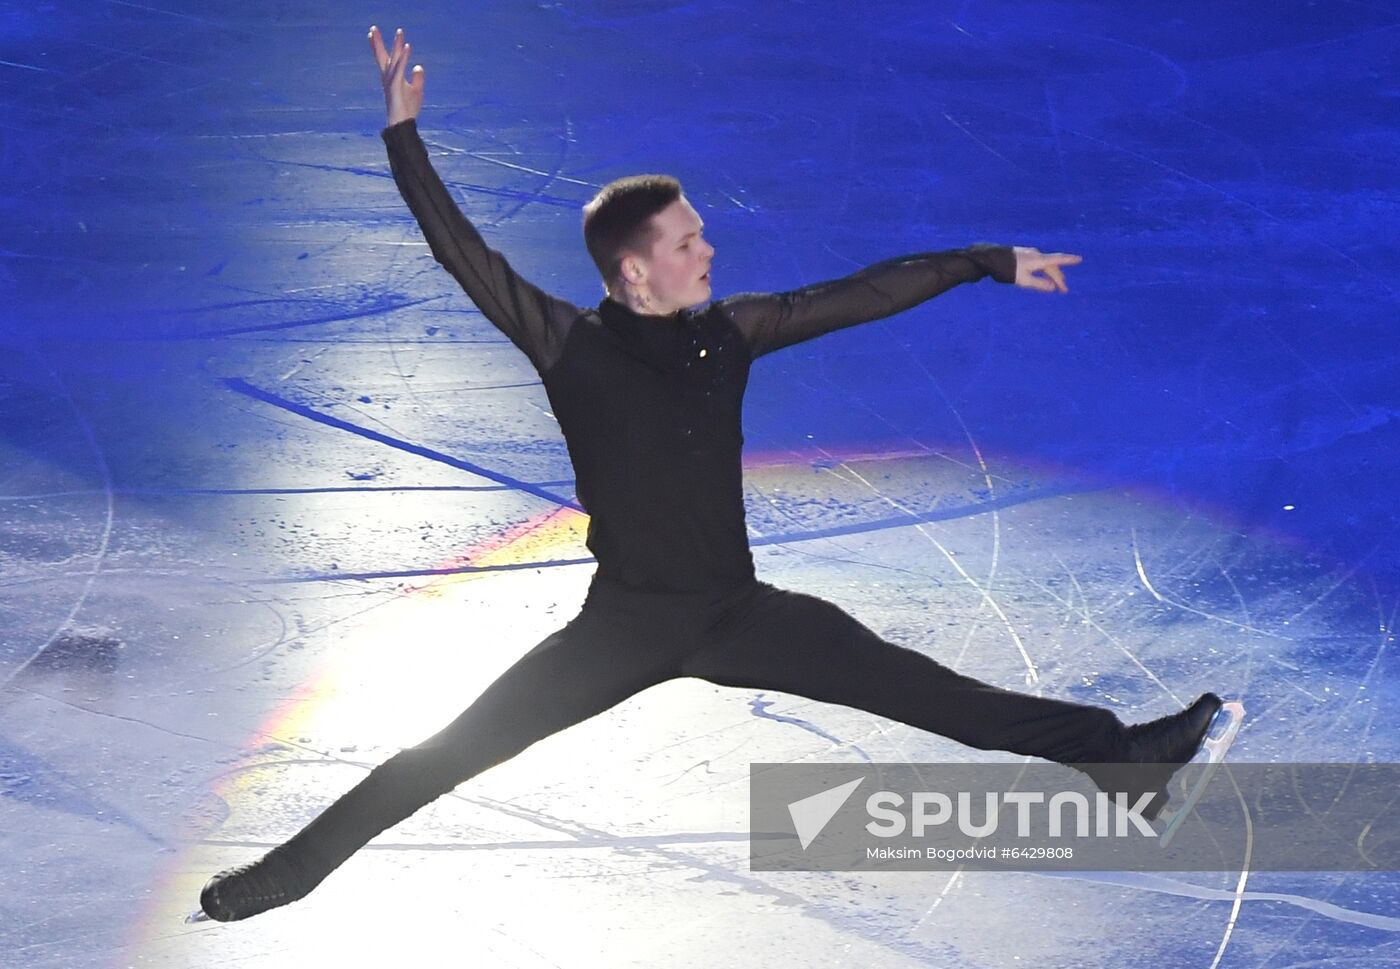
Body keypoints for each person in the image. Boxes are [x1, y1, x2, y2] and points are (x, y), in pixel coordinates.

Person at [197, 25, 1228, 922]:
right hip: (623, 624)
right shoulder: (566, 344)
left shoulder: (724, 336)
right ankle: (282, 877)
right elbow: (460, 251)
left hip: (738, 613)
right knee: (449, 750)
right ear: (632, 267)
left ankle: (1123, 765)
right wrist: (400, 132)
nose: (709, 247)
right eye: (688, 240)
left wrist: (984, 259)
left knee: (928, 691)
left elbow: (856, 294)